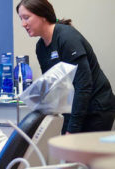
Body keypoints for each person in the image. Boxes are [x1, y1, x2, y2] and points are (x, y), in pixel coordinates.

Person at [16, 0, 115, 134]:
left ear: (43, 15)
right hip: (73, 108)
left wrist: (72, 128)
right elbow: (55, 87)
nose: (23, 24)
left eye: (26, 17)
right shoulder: (40, 48)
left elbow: (84, 85)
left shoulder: (67, 37)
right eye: (21, 19)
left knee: (80, 151)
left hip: (96, 109)